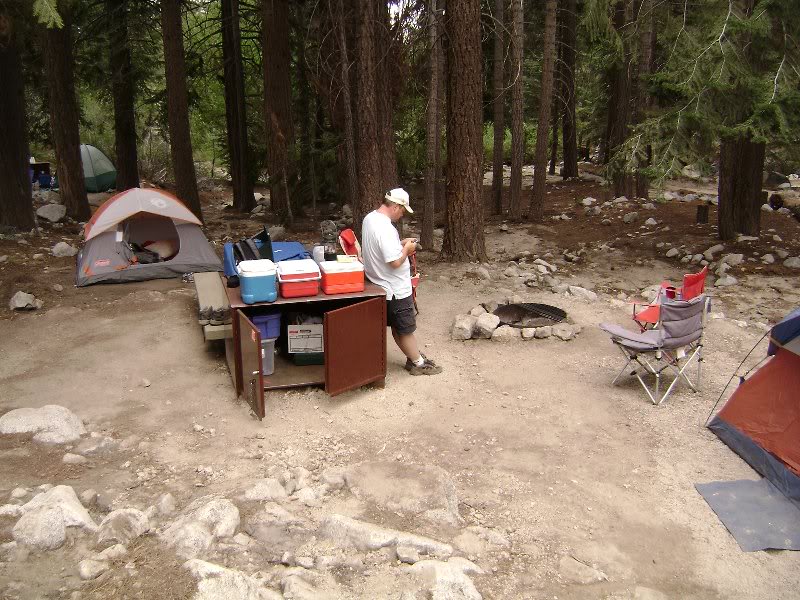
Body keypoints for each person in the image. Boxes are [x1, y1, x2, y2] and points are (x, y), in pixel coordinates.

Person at [361, 188, 442, 376]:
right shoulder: (386, 228)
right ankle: (418, 363)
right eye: (402, 210)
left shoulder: (370, 219)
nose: (402, 214)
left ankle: (413, 357)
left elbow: (382, 250)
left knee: (399, 326)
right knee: (405, 328)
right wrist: (408, 249)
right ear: (395, 206)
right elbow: (395, 261)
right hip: (395, 287)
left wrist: (400, 243)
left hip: (380, 283)